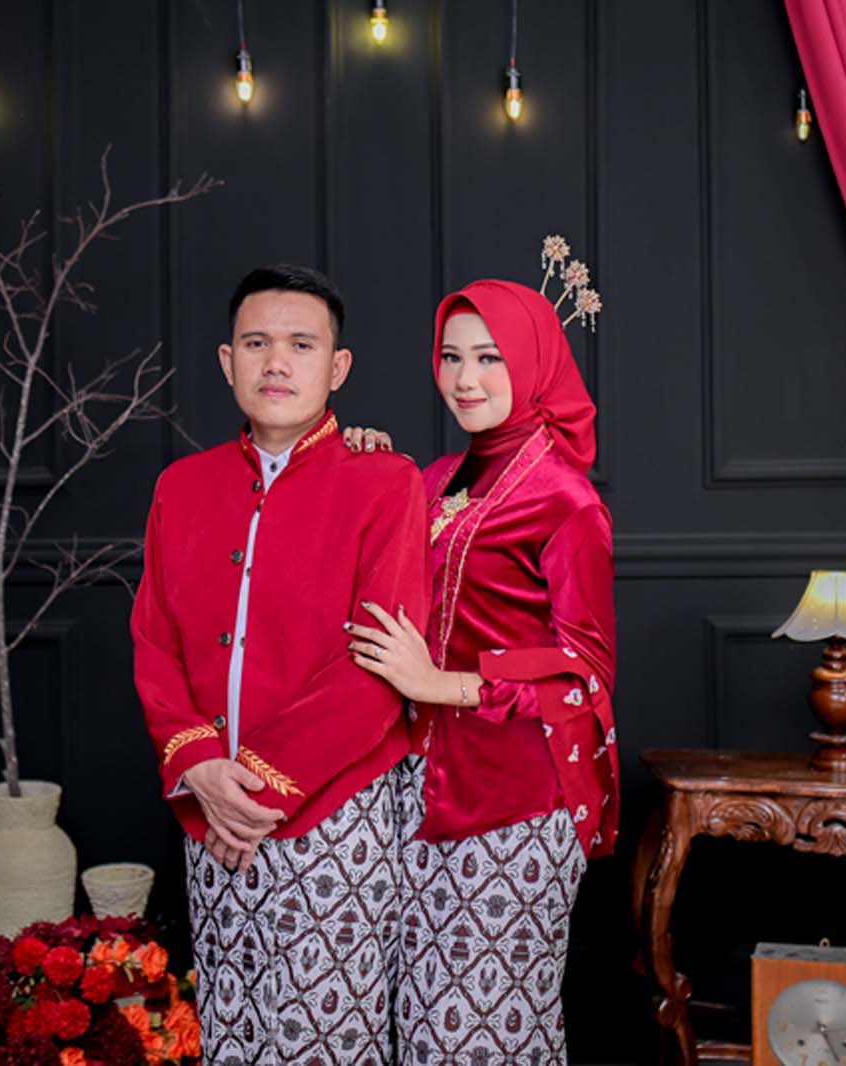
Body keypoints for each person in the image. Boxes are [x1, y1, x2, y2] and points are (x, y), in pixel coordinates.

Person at [131, 264, 429, 1064]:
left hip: (335, 810)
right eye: (257, 343)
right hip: (210, 806)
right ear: (227, 361)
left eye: (302, 345)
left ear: (338, 367)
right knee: (232, 1026)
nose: (277, 363)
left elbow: (377, 667)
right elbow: (155, 641)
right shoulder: (181, 488)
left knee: (327, 1040)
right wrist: (199, 766)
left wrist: (252, 790)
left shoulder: (384, 483)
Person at [344, 278, 619, 1065]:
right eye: (451, 356)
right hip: (420, 791)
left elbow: (586, 675)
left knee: (485, 1037)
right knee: (422, 1029)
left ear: (532, 362)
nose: (465, 379)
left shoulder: (566, 501)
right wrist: (360, 465)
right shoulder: (434, 479)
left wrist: (440, 684)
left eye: (490, 358)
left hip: (517, 803)